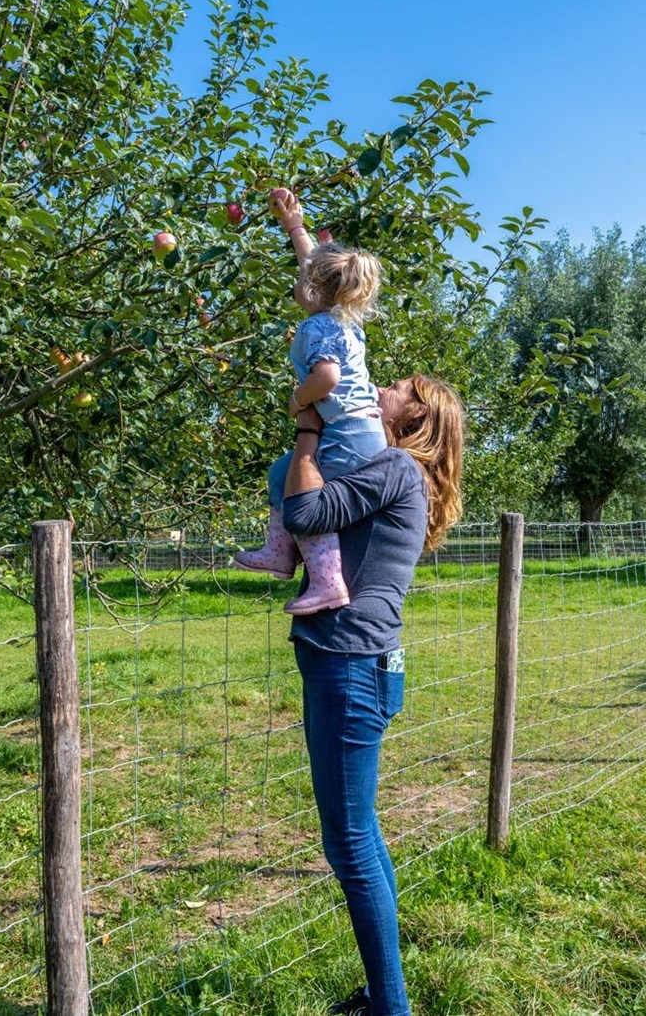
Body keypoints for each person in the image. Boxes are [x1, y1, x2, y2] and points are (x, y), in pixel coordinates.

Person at [280, 374, 465, 1016]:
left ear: (419, 413)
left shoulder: (392, 467)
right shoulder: (400, 474)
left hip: (349, 664)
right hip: (368, 663)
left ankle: (391, 1008)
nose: (381, 386)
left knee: (350, 843)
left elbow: (302, 513)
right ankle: (387, 997)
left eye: (399, 386)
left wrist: (308, 429)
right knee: (362, 834)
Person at [231, 188, 389, 615]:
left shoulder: (318, 327)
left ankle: (327, 582)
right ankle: (280, 552)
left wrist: (298, 399)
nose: (297, 280)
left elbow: (327, 377)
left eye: (302, 278)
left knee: (307, 499)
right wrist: (294, 226)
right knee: (283, 473)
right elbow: (313, 266)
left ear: (316, 291)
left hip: (345, 433)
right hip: (362, 430)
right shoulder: (341, 317)